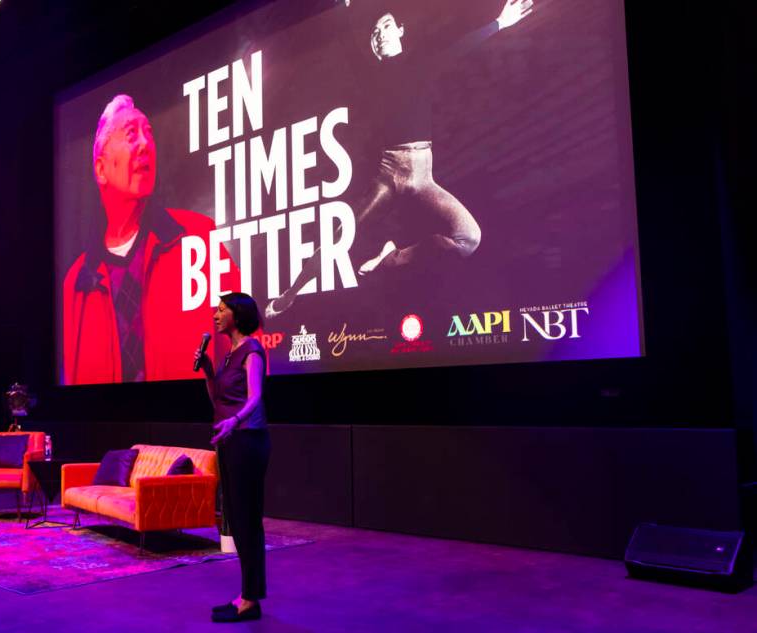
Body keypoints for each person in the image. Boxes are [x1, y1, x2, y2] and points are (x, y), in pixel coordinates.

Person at [265, 0, 534, 318]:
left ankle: (392, 258)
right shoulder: (369, 75)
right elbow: (348, 41)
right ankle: (291, 293)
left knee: (469, 238)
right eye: (375, 32)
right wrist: (344, 7)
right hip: (389, 175)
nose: (379, 33)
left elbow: (459, 48)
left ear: (401, 31)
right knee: (340, 238)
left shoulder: (421, 63)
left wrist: (499, 23)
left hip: (423, 177)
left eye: (387, 26)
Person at [62, 94, 239, 384]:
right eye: (132, 134)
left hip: (195, 426)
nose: (145, 144)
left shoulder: (197, 237)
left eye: (149, 133)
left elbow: (246, 338)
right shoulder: (77, 282)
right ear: (101, 169)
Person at [195, 292, 270, 623]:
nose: (215, 314)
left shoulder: (252, 350)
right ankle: (245, 595)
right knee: (237, 521)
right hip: (229, 440)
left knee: (247, 521)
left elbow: (255, 398)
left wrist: (235, 421)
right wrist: (209, 371)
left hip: (247, 440)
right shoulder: (228, 357)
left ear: (237, 316)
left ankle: (250, 600)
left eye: (221, 309)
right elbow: (218, 401)